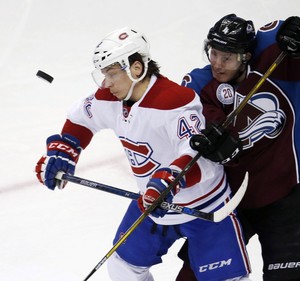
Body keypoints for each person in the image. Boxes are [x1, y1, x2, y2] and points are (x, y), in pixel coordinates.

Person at [34, 26, 252, 281]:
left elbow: (198, 156)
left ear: (136, 69)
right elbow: (81, 119)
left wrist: (169, 180)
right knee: (122, 267)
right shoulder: (109, 97)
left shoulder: (175, 101)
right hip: (150, 203)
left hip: (205, 205)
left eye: (112, 74)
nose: (106, 83)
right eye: (104, 74)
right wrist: (65, 150)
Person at [176, 10, 300, 281]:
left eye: (226, 57)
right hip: (228, 201)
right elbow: (191, 122)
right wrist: (212, 139)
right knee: (194, 276)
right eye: (213, 54)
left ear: (246, 56)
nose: (217, 63)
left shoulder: (283, 64)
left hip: (283, 197)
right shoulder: (201, 83)